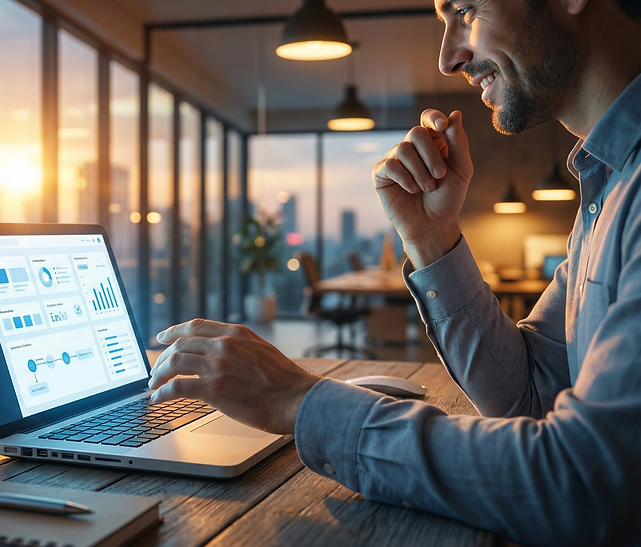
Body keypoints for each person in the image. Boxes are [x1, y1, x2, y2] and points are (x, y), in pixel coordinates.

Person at [147, 0, 641, 544]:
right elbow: (528, 396)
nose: (449, 57)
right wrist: (431, 240)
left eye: (465, 9)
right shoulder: (610, 187)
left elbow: (587, 486)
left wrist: (298, 401)